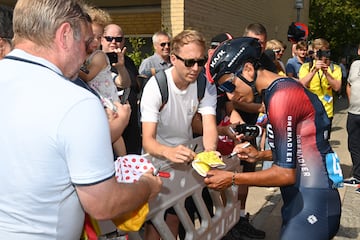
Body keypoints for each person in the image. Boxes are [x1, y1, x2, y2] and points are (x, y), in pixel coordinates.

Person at [0, 1, 162, 239]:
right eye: (88, 44)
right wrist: (148, 186)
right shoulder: (77, 101)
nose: (89, 54)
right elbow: (103, 203)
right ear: (65, 35)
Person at [205, 37, 342, 240]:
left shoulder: (281, 96)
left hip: (313, 202)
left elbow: (285, 174)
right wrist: (259, 155)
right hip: (307, 198)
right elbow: (301, 148)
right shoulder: (277, 90)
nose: (231, 97)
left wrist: (232, 178)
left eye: (229, 86)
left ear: (248, 69)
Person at [140, 29, 218, 239]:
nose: (196, 68)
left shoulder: (205, 84)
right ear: (173, 59)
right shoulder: (156, 87)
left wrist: (210, 154)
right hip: (157, 161)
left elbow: (209, 126)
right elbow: (148, 141)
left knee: (177, 218)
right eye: (189, 62)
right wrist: (168, 152)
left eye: (201, 62)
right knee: (156, 223)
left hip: (186, 158)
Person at [79, 5, 129, 156]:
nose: (95, 41)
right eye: (91, 36)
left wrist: (72, 67)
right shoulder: (84, 55)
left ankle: (123, 160)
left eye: (99, 37)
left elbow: (88, 76)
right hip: (99, 99)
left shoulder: (99, 56)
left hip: (107, 100)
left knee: (116, 133)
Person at [102, 23, 142, 154]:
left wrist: (121, 66)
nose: (113, 42)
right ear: (101, 39)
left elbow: (127, 83)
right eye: (109, 38)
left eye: (118, 39)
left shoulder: (127, 62)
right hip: (109, 132)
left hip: (131, 131)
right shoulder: (96, 61)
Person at [298, 38, 342, 138]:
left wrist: (326, 73)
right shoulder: (306, 67)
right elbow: (301, 85)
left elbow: (337, 87)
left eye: (324, 51)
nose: (322, 55)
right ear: (313, 52)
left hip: (326, 112)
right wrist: (314, 71)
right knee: (308, 142)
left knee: (324, 141)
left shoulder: (334, 68)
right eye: (318, 52)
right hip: (309, 111)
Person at [344, 44, 360, 190]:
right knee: (353, 146)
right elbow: (348, 85)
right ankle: (357, 177)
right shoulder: (355, 65)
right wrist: (351, 102)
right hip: (353, 112)